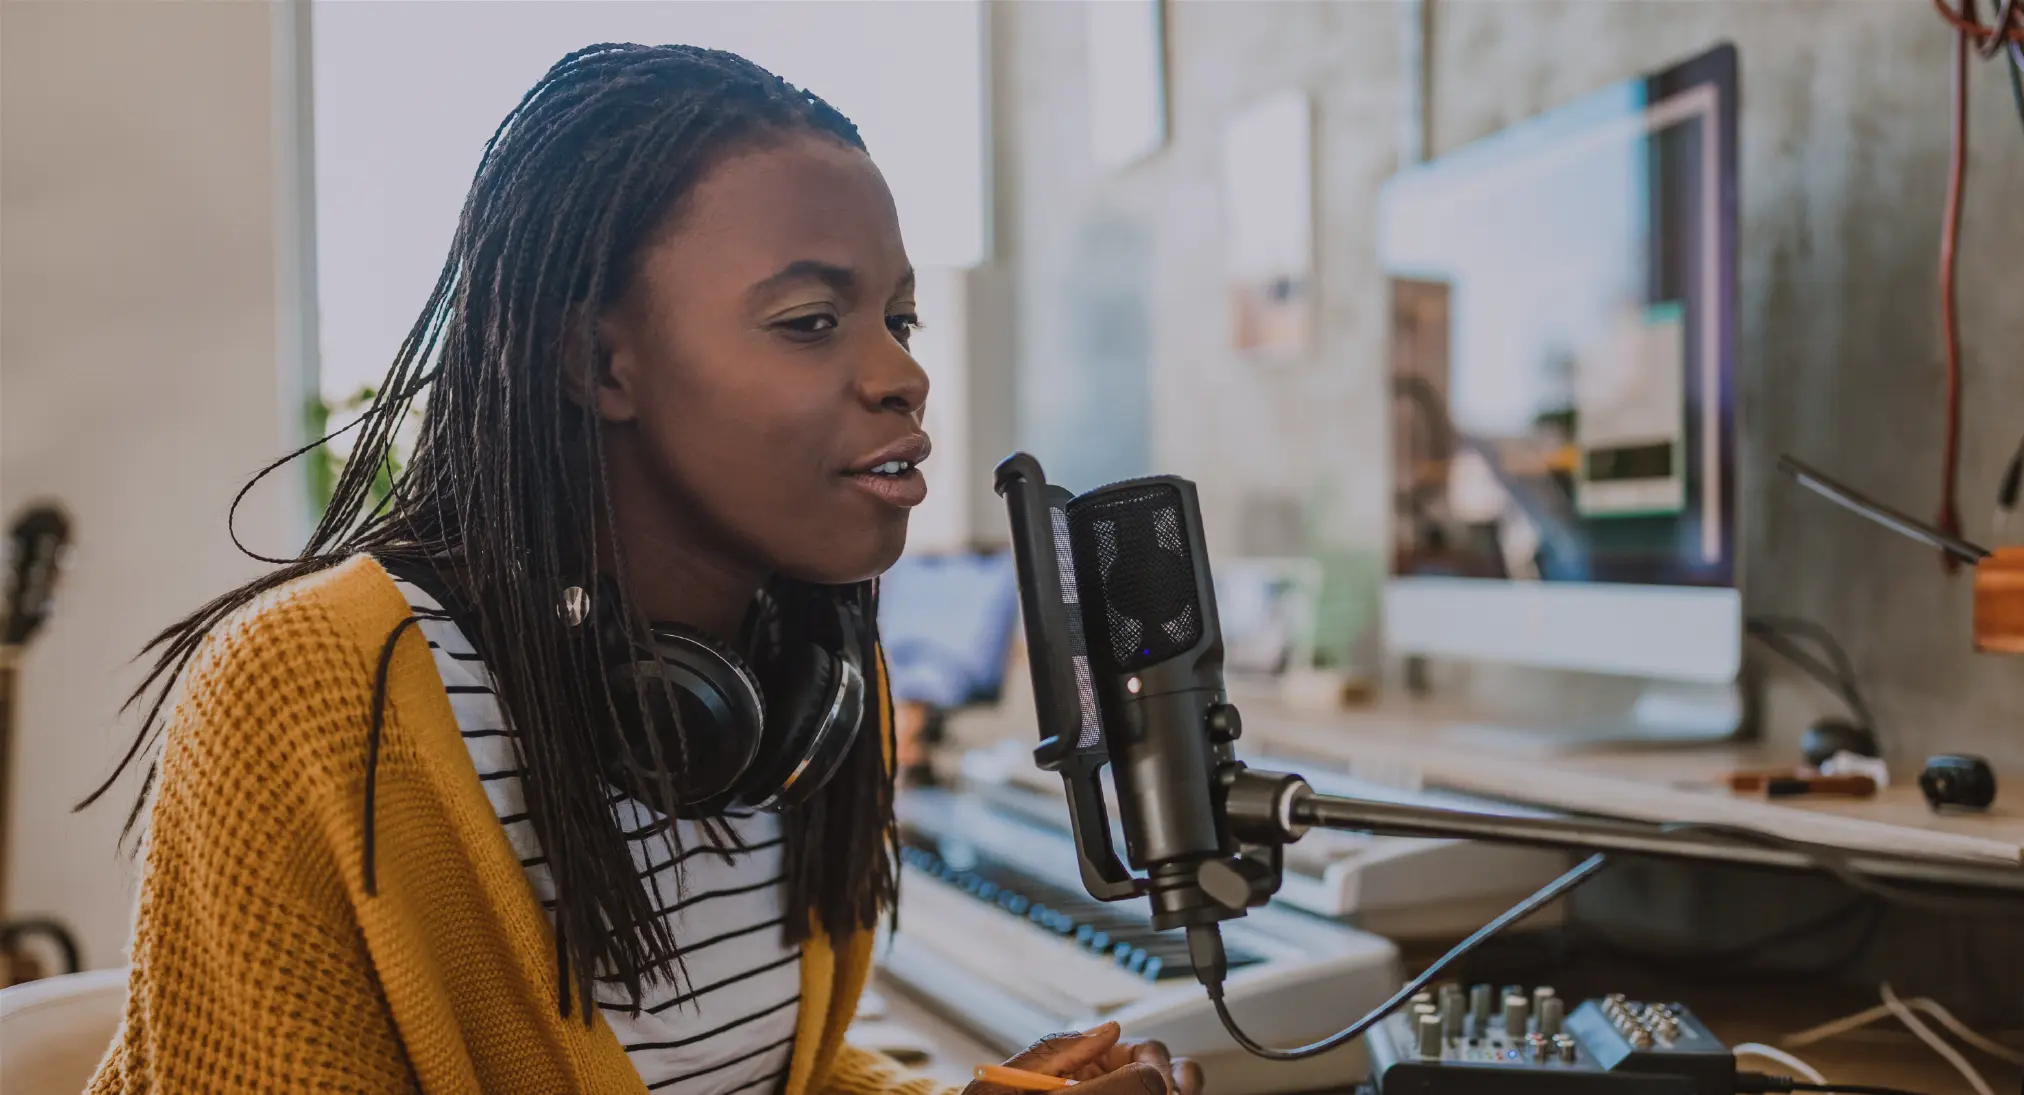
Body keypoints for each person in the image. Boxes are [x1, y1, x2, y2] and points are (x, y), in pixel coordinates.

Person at [79, 44, 1200, 1095]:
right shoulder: (313, 687)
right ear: (597, 363)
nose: (903, 371)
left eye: (897, 317)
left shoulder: (809, 679)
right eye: (812, 320)